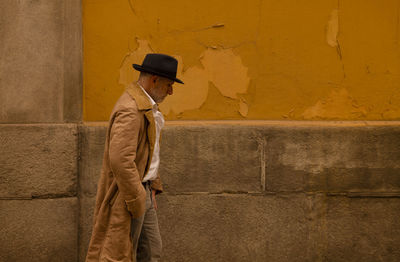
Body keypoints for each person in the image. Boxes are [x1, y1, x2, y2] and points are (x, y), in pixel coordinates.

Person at [85, 53, 184, 262]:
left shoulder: (146, 107)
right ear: (154, 80)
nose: (171, 91)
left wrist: (153, 184)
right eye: (168, 85)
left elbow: (149, 148)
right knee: (119, 254)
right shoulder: (131, 109)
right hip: (129, 193)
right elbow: (120, 160)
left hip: (144, 190)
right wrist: (136, 196)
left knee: (150, 251)